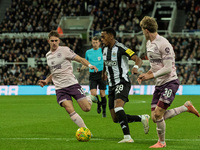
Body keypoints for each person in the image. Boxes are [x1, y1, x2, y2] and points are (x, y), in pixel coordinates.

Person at [138, 16, 200, 148]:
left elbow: (167, 68)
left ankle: (161, 142)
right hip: (159, 83)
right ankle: (186, 107)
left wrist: (151, 76)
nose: (142, 33)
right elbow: (156, 65)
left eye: (142, 30)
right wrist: (147, 74)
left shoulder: (164, 44)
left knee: (159, 113)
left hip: (170, 81)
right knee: (155, 118)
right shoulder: (148, 43)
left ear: (147, 30)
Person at [38, 30, 98, 132]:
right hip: (60, 88)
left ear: (59, 40)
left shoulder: (65, 50)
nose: (54, 43)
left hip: (72, 84)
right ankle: (85, 130)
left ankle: (89, 97)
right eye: (52, 41)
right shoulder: (48, 55)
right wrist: (47, 80)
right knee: (69, 108)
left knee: (86, 108)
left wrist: (89, 65)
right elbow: (54, 71)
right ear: (48, 41)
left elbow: (80, 59)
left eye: (56, 40)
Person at [101, 27, 150, 143]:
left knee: (118, 107)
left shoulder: (121, 48)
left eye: (104, 37)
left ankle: (127, 137)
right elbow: (105, 62)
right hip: (111, 85)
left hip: (122, 82)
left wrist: (135, 67)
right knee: (115, 118)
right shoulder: (103, 49)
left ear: (111, 36)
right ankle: (142, 118)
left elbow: (138, 59)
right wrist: (104, 72)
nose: (102, 39)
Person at [83, 36, 107, 117]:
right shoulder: (88, 52)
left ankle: (104, 111)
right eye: (93, 42)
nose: (95, 44)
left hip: (102, 74)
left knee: (102, 93)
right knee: (93, 94)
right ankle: (99, 104)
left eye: (96, 42)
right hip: (93, 74)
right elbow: (85, 63)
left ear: (99, 43)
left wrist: (106, 73)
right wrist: (81, 68)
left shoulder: (103, 50)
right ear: (92, 43)